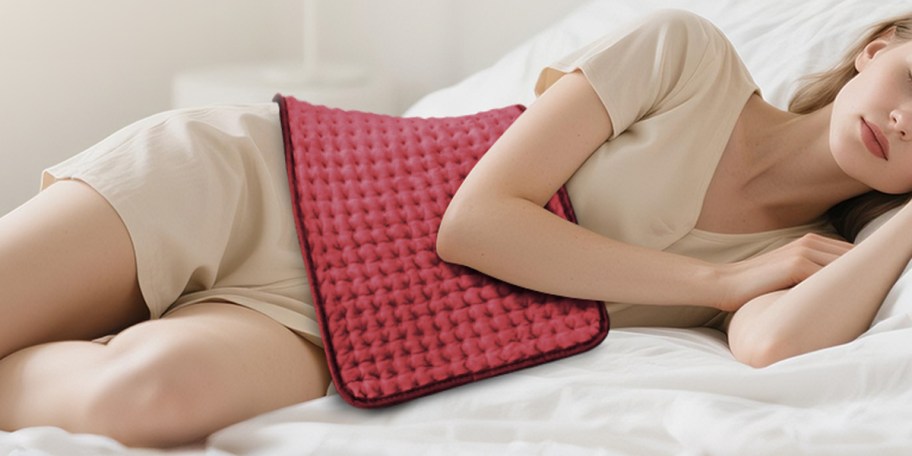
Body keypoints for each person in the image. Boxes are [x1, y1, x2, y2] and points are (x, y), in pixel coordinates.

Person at [0, 7, 909, 449]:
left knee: (147, 398)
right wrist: (715, 284)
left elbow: (770, 346)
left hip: (369, 317)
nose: (905, 123)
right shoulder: (688, 56)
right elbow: (476, 225)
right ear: (875, 50)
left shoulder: (805, 257)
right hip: (269, 183)